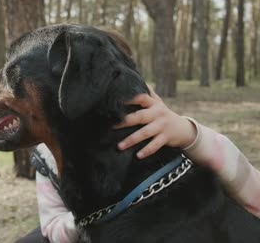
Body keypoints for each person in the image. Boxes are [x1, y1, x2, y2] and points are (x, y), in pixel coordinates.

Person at [15, 86, 260, 243]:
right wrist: (87, 215)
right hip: (76, 229)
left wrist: (188, 133)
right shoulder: (47, 156)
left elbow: (251, 191)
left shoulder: (156, 148)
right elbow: (53, 227)